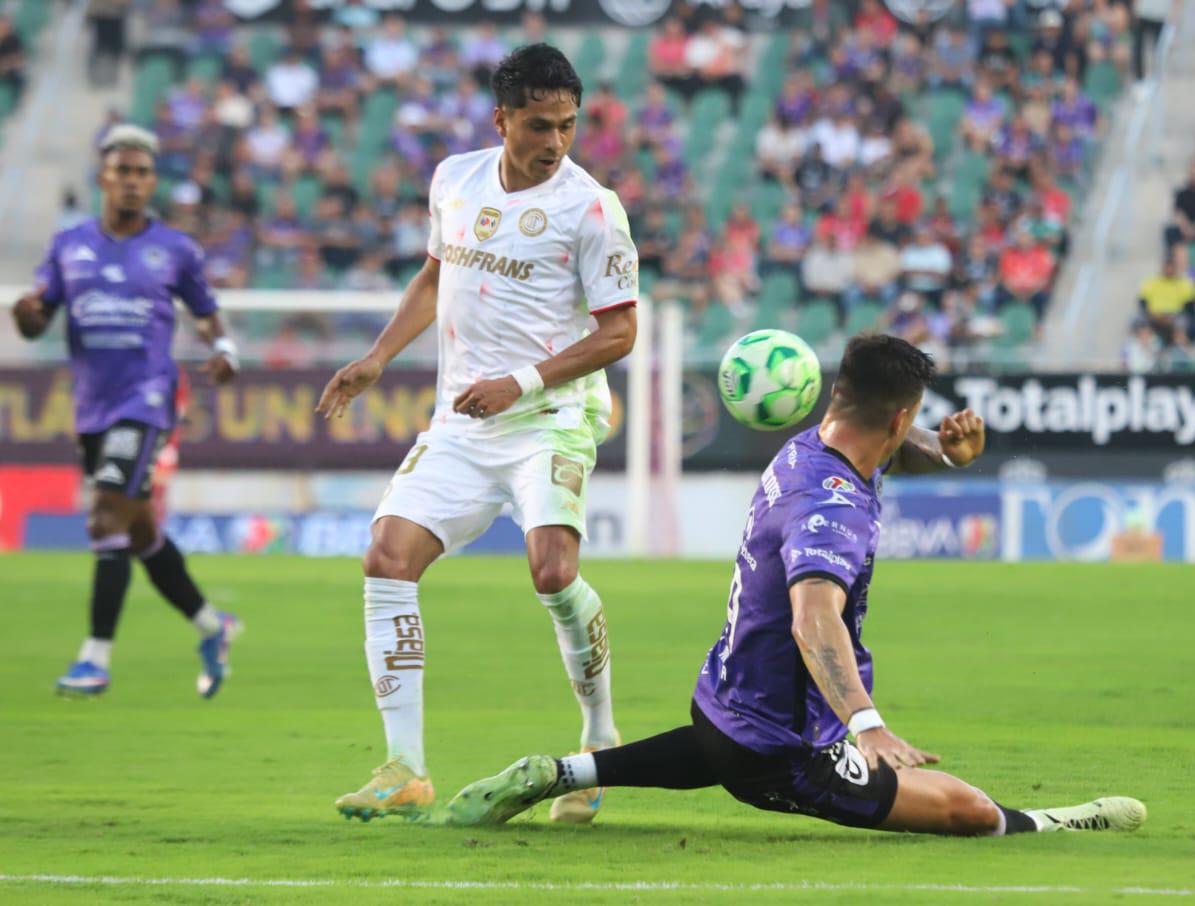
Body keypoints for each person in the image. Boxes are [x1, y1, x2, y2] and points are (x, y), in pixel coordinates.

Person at [438, 335, 1148, 838]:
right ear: (901, 416)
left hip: (723, 692)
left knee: (715, 748)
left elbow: (894, 453)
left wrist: (950, 454)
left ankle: (557, 772)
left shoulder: (810, 447)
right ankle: (1054, 822)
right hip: (786, 744)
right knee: (965, 810)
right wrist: (867, 723)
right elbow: (815, 620)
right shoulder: (829, 508)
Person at [317, 44, 637, 826]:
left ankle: (598, 746)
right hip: (463, 422)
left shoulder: (592, 207)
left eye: (567, 124)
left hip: (547, 420)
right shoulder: (454, 179)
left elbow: (620, 333)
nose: (554, 142)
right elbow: (435, 276)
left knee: (552, 573)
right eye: (537, 124)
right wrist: (377, 358)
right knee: (386, 558)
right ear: (501, 119)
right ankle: (406, 768)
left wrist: (521, 383)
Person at [10, 125, 242, 698]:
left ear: (151, 181)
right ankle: (214, 626)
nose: (133, 182)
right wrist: (26, 315)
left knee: (103, 516)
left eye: (143, 173)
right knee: (138, 531)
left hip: (147, 399)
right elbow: (38, 318)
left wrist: (224, 347)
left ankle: (94, 659)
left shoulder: (175, 250)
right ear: (103, 179)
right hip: (92, 406)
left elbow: (207, 312)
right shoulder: (69, 248)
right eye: (123, 171)